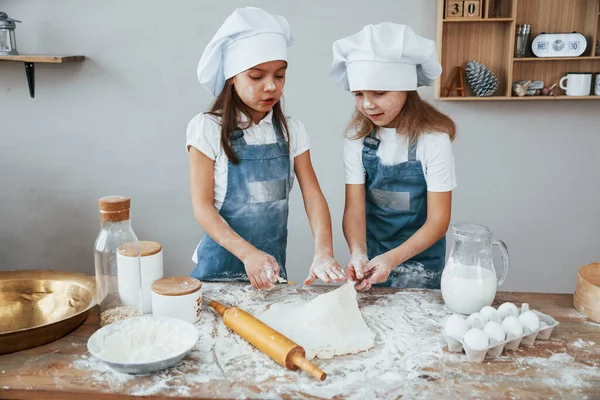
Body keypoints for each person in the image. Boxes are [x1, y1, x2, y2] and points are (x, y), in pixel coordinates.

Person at [187, 7, 345, 289]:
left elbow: (313, 197)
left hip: (270, 274)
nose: (271, 86)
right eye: (256, 77)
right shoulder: (207, 128)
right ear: (232, 76)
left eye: (280, 76)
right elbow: (202, 207)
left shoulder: (292, 130)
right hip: (217, 275)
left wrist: (324, 251)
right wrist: (248, 254)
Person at [330, 23, 457, 290]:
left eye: (379, 93)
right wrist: (357, 252)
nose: (367, 104)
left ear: (406, 89)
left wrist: (392, 259)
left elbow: (438, 221)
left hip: (422, 264)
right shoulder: (357, 138)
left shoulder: (432, 140)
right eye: (359, 94)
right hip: (372, 260)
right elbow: (354, 209)